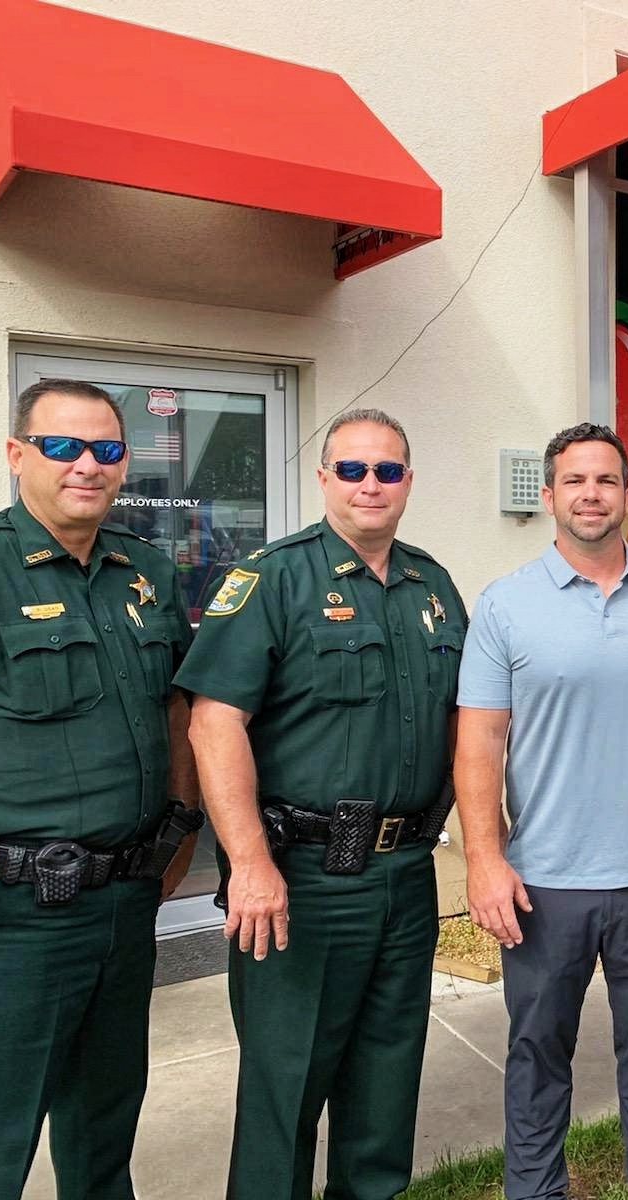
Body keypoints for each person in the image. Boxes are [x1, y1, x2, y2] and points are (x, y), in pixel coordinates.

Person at [175, 408, 467, 1200]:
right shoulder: (273, 579)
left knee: (386, 1087)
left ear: (408, 481)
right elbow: (213, 724)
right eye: (352, 469)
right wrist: (248, 864)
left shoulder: (432, 586)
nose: (370, 484)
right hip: (303, 881)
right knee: (286, 1089)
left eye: (387, 470)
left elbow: (462, 723)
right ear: (323, 478)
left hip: (405, 876)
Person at [0, 379, 202, 1199]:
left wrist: (181, 828)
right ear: (17, 455)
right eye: (62, 446)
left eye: (106, 449)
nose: (87, 464)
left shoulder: (144, 570)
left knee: (103, 1137)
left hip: (124, 905)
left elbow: (175, 710)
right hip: (12, 916)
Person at [456, 423, 628, 1200]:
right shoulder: (505, 604)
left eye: (606, 480)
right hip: (543, 881)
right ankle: (534, 1189)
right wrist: (484, 859)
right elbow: (479, 742)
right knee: (536, 1052)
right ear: (550, 494)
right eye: (575, 480)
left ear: (627, 495)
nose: (591, 494)